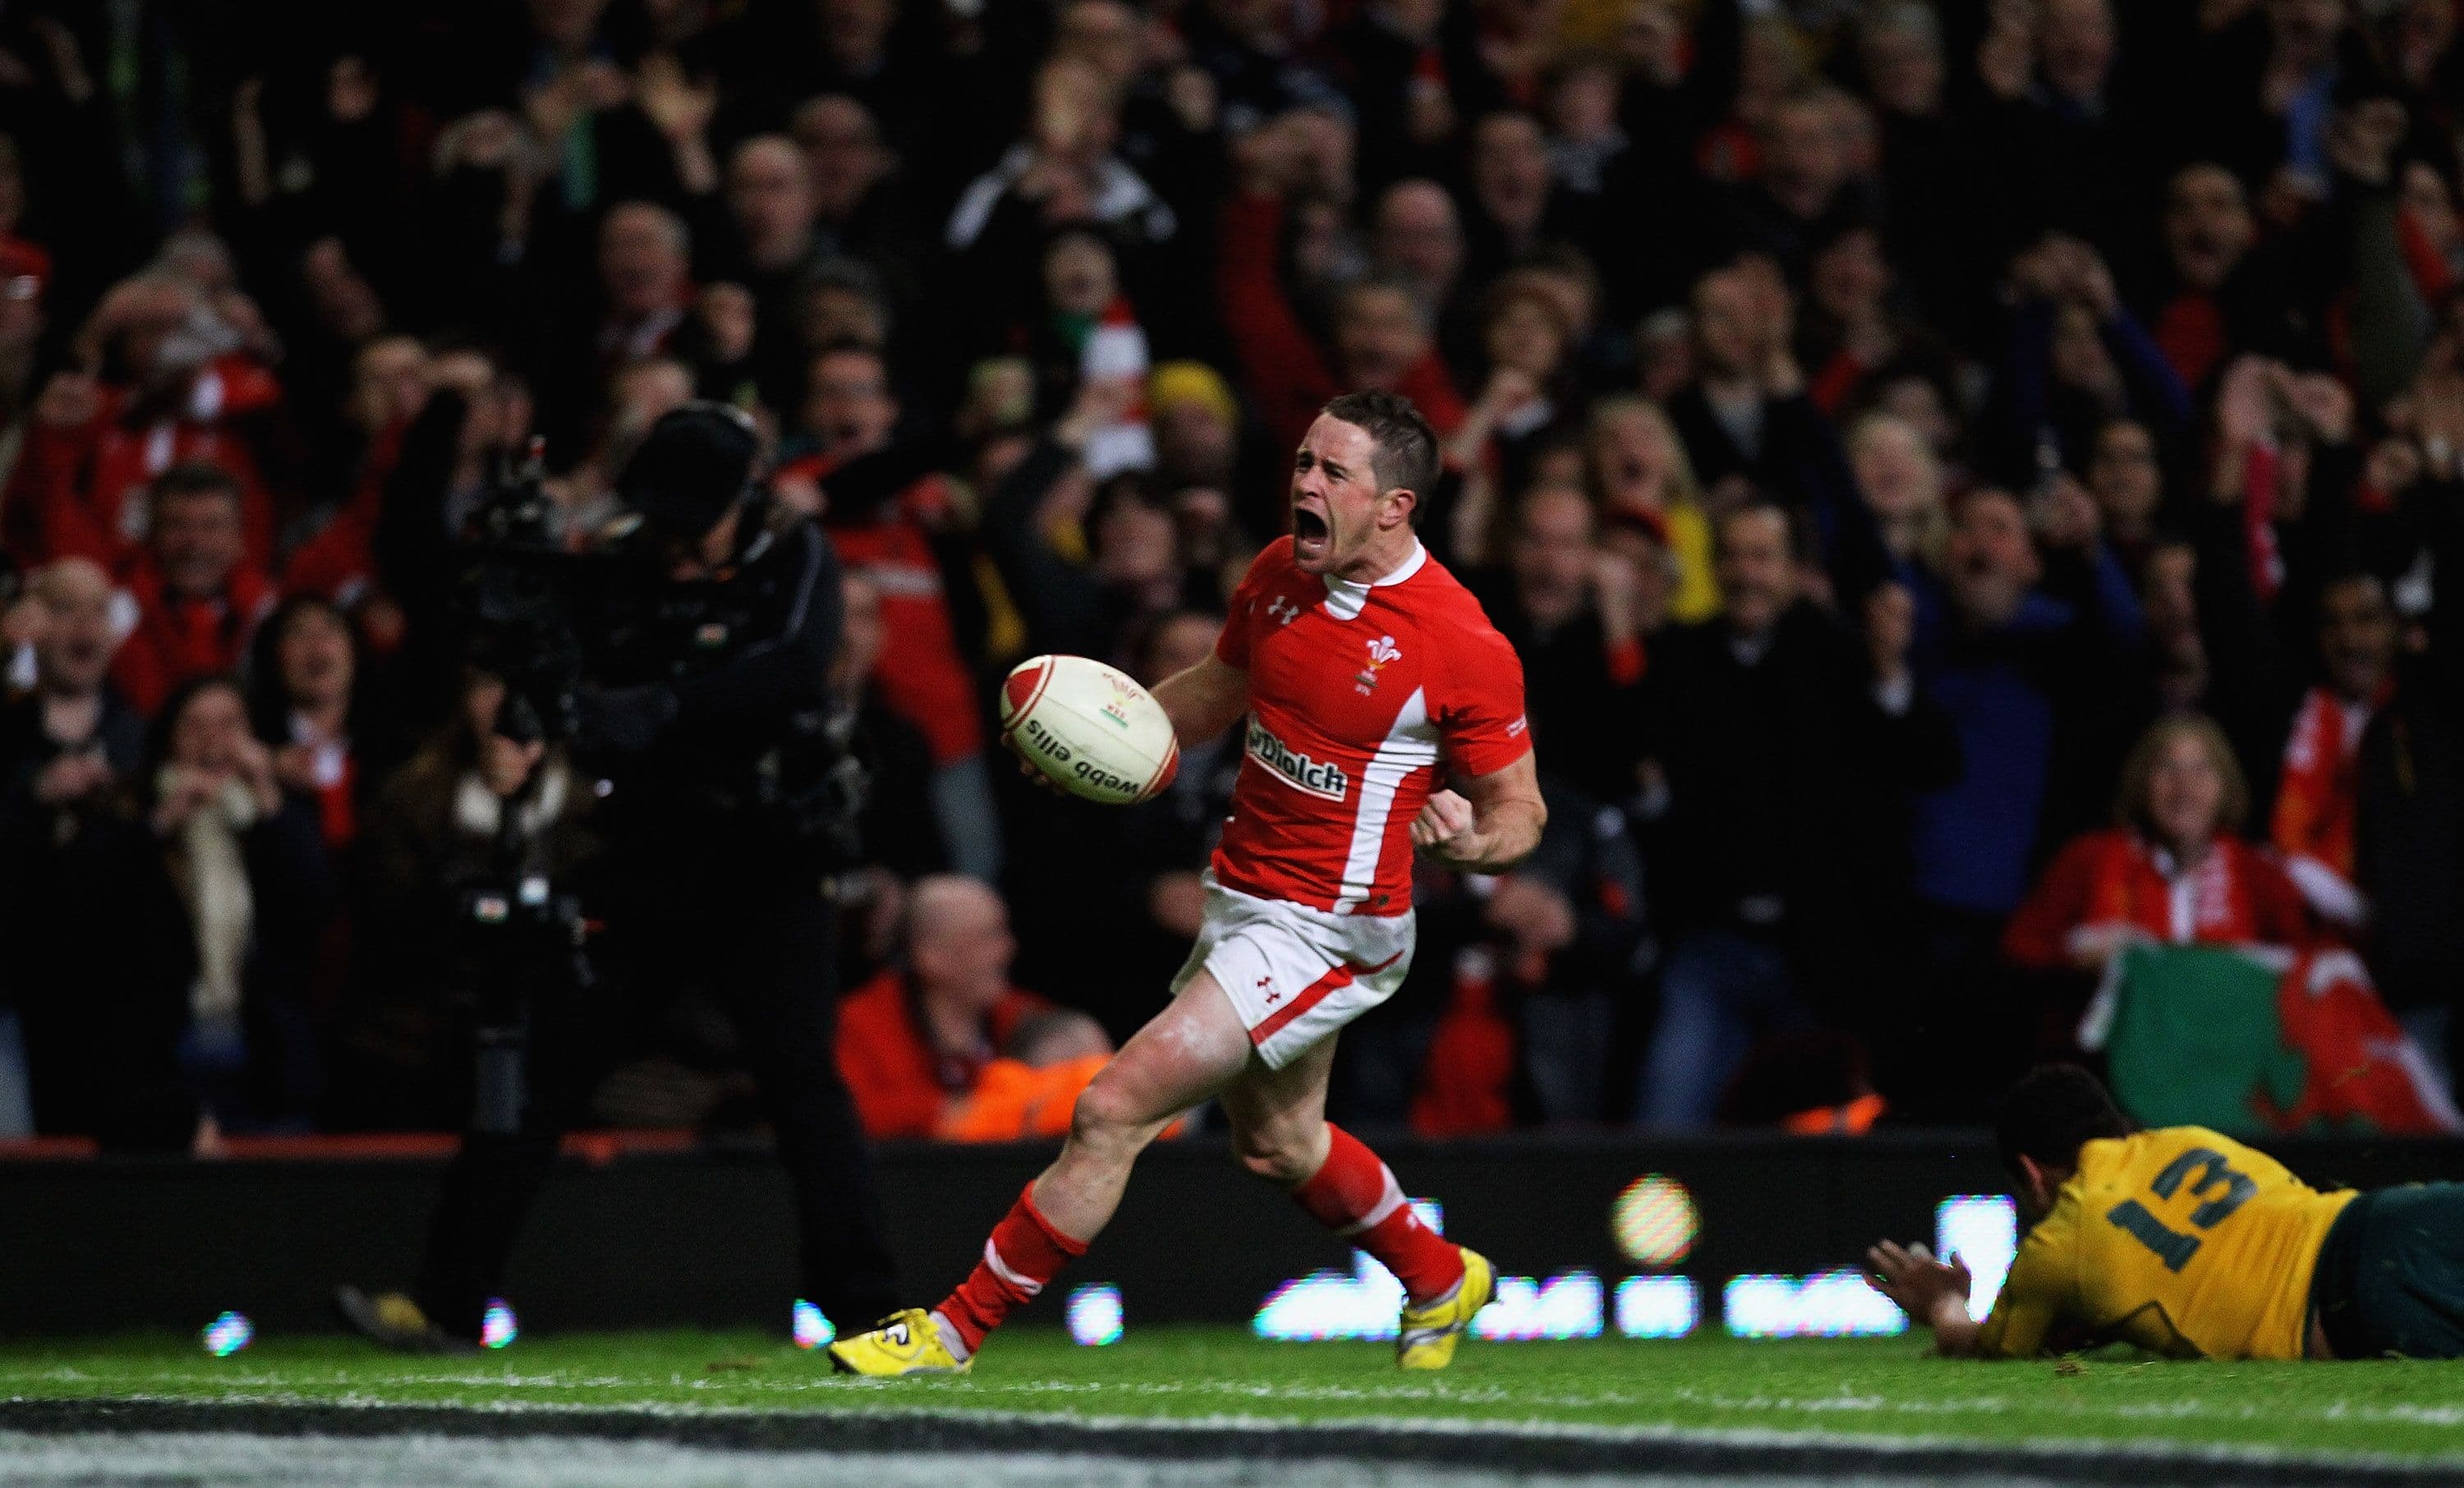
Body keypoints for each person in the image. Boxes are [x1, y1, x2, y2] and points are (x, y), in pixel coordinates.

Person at [829, 390, 1544, 1376]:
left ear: (1396, 507)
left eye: (1333, 472)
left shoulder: (1460, 643)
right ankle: (1436, 1275)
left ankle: (950, 1334)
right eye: (1302, 461)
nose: (1304, 482)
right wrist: (1096, 745)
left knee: (1111, 1108)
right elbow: (1213, 692)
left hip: (1331, 930)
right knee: (1281, 1146)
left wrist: (1470, 843)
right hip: (1244, 898)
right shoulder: (1279, 575)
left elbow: (1521, 814)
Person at [338, 402, 898, 1350]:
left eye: (694, 516)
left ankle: (869, 1315)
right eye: (665, 515)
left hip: (770, 859)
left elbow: (795, 669)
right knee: (546, 1067)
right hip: (649, 858)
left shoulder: (794, 559)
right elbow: (556, 662)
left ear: (741, 499)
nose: (676, 537)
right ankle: (447, 1301)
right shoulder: (622, 566)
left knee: (802, 1084)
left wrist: (660, 705)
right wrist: (540, 692)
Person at [1866, 1063, 2464, 1360]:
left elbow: (1984, 1349)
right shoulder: (2190, 1140)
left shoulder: (2062, 1244)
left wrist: (1944, 1305)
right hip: (2400, 1214)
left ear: (2031, 1174)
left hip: (2363, 1302)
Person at [834, 875, 1083, 1139]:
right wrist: (954, 1116)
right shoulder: (858, 1026)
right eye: (988, 937)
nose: (1008, 950)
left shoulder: (1024, 1015)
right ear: (930, 957)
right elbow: (851, 1115)